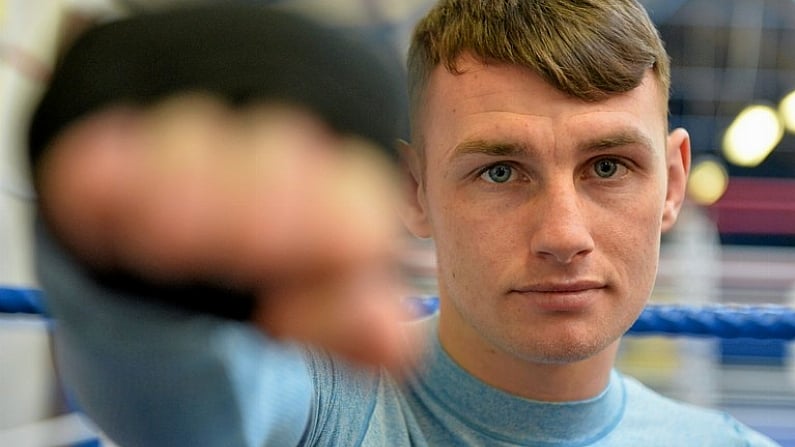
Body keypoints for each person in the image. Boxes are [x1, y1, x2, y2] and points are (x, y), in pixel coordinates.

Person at [28, 1, 780, 446]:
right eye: (498, 170)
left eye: (608, 167)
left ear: (672, 181)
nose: (562, 232)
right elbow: (174, 406)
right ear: (412, 190)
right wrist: (127, 271)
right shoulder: (318, 406)